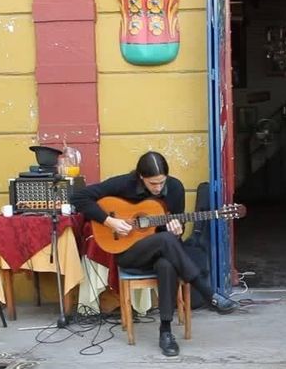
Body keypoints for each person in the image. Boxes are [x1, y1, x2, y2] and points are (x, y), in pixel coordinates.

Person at [71, 151, 239, 357]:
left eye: (161, 182)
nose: (158, 188)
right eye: (153, 183)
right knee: (166, 242)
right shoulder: (124, 184)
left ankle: (165, 331)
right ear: (141, 177)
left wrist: (177, 229)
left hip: (163, 251)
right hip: (128, 253)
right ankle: (207, 292)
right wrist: (109, 221)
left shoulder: (175, 188)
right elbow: (78, 197)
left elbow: (174, 234)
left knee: (167, 262)